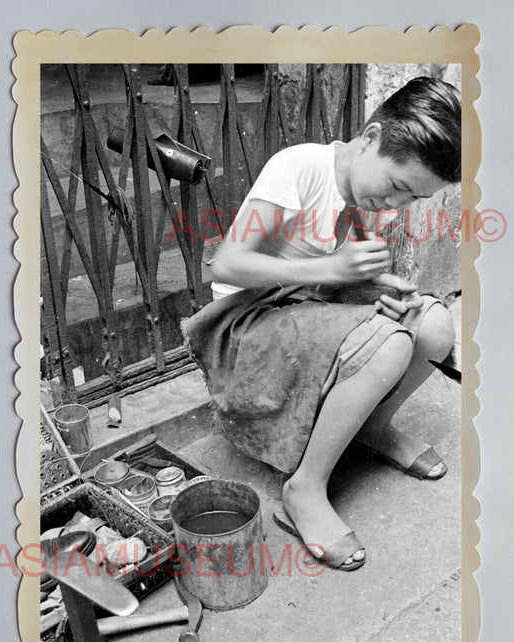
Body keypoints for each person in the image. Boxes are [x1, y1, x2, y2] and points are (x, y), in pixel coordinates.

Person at [183, 77, 460, 571]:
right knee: (389, 346)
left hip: (304, 308)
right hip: (246, 323)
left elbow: (329, 286)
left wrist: (375, 290)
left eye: (413, 199)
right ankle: (304, 487)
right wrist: (330, 272)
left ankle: (373, 427)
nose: (397, 205)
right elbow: (227, 264)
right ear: (371, 137)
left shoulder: (371, 201)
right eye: (397, 186)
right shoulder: (298, 167)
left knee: (433, 324)